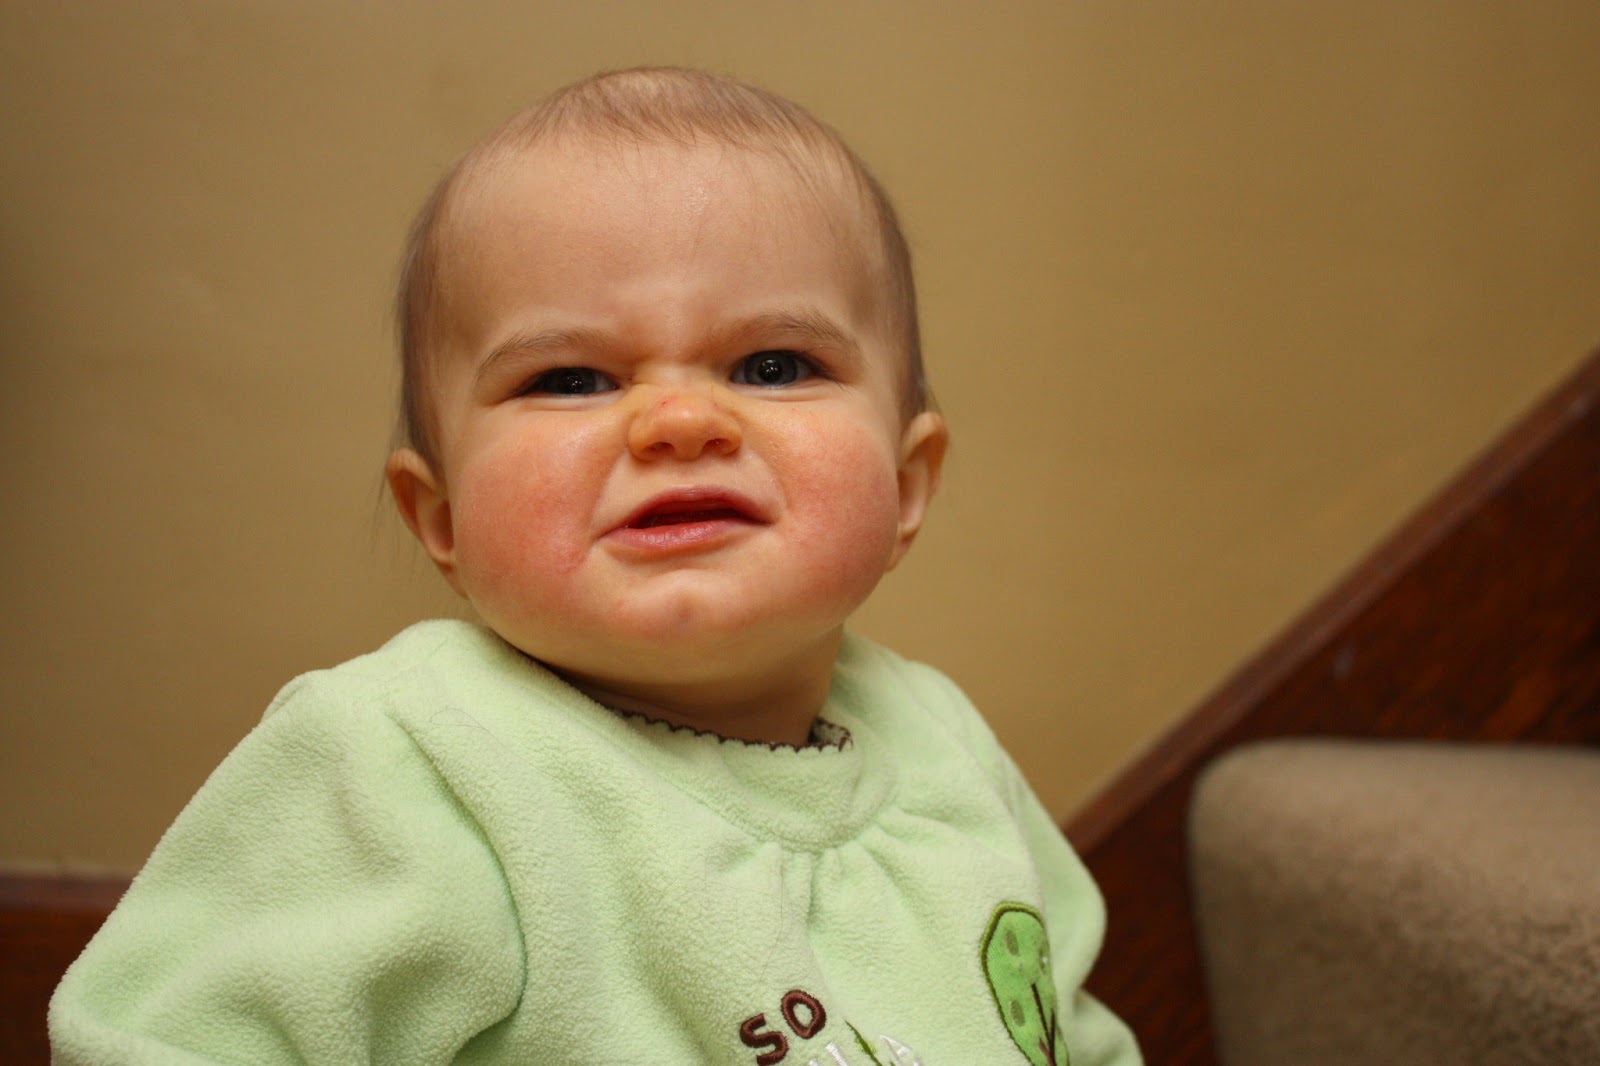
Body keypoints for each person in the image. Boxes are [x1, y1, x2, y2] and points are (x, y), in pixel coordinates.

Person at [50, 67, 1142, 1066]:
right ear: (441, 517)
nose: (678, 420)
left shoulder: (945, 745)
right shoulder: (407, 761)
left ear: (905, 488)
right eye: (570, 380)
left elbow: (1071, 1034)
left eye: (772, 364)